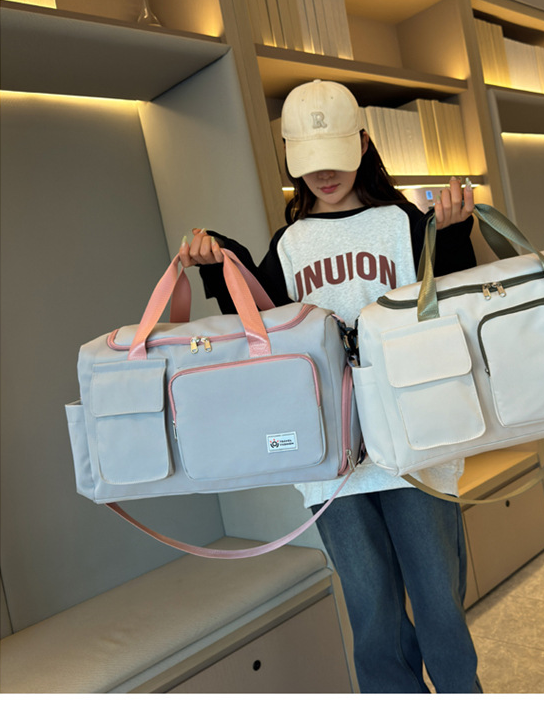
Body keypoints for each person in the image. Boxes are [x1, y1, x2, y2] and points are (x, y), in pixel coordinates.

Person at [180, 79, 482, 693]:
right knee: (372, 617)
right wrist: (225, 265)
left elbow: (452, 307)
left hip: (415, 443)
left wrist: (451, 234)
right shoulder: (291, 244)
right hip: (330, 456)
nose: (323, 174)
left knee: (440, 606)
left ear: (363, 145)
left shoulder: (403, 224)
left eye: (336, 156)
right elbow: (266, 332)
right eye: (309, 160)